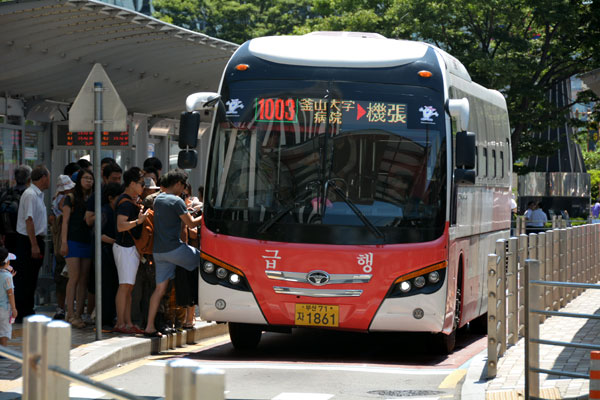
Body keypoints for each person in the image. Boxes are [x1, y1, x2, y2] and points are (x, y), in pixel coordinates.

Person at [144, 169, 202, 337]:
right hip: (174, 249)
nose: (184, 189)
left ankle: (149, 326)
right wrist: (205, 214)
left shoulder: (159, 199)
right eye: (183, 185)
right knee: (206, 261)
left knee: (159, 290)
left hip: (159, 252)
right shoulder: (177, 201)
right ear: (178, 184)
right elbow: (191, 224)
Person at [113, 167, 148, 334]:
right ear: (132, 184)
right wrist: (139, 221)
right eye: (141, 183)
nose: (143, 186)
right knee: (124, 286)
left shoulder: (128, 201)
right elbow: (120, 226)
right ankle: (121, 322)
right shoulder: (125, 203)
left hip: (128, 248)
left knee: (128, 287)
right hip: (124, 247)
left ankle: (126, 322)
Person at [13, 165, 50, 322]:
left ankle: (28, 309)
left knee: (32, 277)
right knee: (24, 278)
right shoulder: (30, 195)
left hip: (36, 239)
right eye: (48, 177)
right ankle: (22, 312)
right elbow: (29, 221)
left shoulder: (38, 195)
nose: (49, 180)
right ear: (42, 178)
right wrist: (34, 245)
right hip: (28, 241)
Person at [60, 169, 94, 328]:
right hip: (73, 241)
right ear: (79, 180)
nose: (88, 181)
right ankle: (70, 314)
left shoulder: (93, 198)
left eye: (91, 178)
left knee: (83, 280)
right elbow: (65, 221)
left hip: (87, 241)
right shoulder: (70, 197)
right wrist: (64, 242)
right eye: (86, 178)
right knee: (73, 277)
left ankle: (79, 314)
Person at [50, 175, 75, 320]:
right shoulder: (62, 200)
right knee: (63, 277)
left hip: (62, 243)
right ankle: (63, 308)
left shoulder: (60, 199)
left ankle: (64, 308)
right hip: (62, 243)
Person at [99, 182, 124, 328]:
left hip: (113, 252)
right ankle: (105, 319)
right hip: (105, 253)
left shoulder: (115, 210)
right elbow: (99, 234)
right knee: (107, 287)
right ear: (110, 198)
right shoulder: (105, 211)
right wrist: (115, 241)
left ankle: (111, 316)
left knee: (114, 285)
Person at [0, 165, 32, 252]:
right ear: (29, 179)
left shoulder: (6, 192)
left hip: (8, 235)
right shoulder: (29, 194)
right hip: (24, 236)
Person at [0, 247, 17, 347]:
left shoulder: (7, 276)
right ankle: (4, 352)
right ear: (7, 262)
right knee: (4, 331)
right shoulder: (7, 276)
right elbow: (10, 293)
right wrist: (14, 308)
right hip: (4, 309)